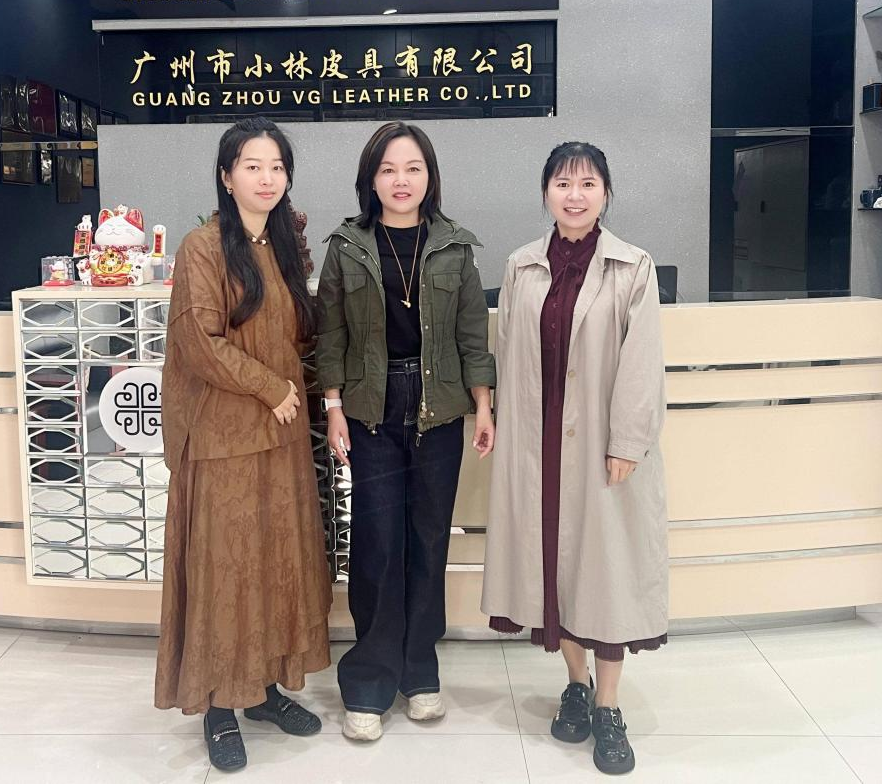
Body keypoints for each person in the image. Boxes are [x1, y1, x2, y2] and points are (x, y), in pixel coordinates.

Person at [481, 141, 668, 776]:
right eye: (563, 183)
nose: (575, 195)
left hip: (602, 446)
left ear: (605, 193)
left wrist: (627, 442)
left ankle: (609, 708)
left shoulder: (633, 267)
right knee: (556, 571)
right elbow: (507, 351)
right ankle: (576, 683)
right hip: (538, 445)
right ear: (546, 193)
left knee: (607, 572)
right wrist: (500, 421)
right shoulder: (522, 266)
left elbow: (643, 363)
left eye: (588, 183)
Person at [154, 117, 332, 774]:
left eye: (276, 166)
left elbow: (297, 336)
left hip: (280, 438)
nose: (266, 178)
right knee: (224, 571)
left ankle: (261, 691)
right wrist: (268, 385)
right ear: (227, 177)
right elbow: (198, 341)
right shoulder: (202, 247)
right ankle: (219, 708)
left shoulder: (283, 246)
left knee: (275, 564)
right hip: (223, 437)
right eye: (252, 166)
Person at [316, 121, 496, 742]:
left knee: (428, 540)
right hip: (371, 408)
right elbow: (331, 334)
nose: (401, 180)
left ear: (429, 177)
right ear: (371, 179)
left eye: (413, 168)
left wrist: (483, 406)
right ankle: (369, 680)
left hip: (438, 407)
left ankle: (419, 671)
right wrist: (333, 406)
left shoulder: (454, 246)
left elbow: (472, 333)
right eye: (389, 169)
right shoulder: (347, 246)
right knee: (377, 542)